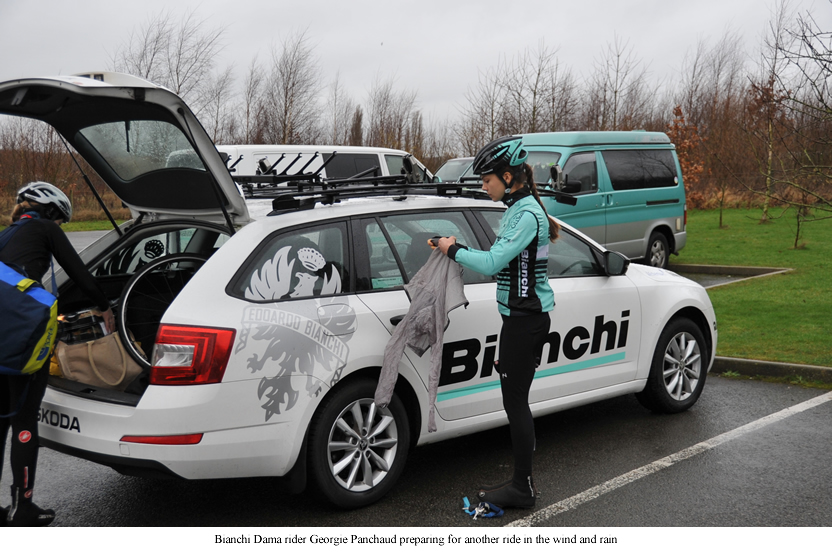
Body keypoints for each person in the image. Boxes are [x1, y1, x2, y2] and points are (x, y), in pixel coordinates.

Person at [436, 136, 559, 509]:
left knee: (516, 403)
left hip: (526, 321)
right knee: (514, 400)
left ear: (508, 176)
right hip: (519, 321)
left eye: (487, 180)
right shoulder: (518, 209)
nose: (483, 186)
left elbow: (491, 263)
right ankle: (523, 484)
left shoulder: (524, 215)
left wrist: (451, 248)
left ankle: (522, 488)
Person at [0, 181, 115, 526]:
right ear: (52, 212)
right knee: (24, 421)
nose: (60, 227)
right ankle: (23, 507)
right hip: (21, 343)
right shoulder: (45, 228)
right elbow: (80, 274)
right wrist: (104, 305)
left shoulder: (6, 235)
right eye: (61, 221)